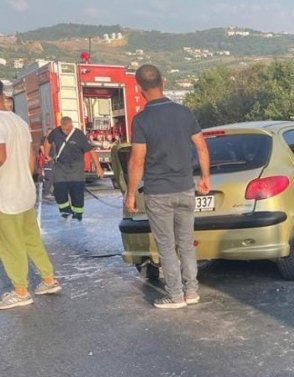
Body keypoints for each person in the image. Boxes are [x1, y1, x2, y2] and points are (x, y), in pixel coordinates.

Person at [124, 64, 210, 310]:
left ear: (139, 89)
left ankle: (175, 295)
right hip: (185, 188)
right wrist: (205, 177)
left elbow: (137, 160)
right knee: (186, 241)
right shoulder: (184, 113)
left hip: (158, 192)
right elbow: (202, 148)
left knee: (166, 244)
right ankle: (191, 291)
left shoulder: (141, 120)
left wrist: (130, 193)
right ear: (163, 81)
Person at [0, 80, 61, 310]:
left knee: (9, 244)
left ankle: (20, 291)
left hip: (5, 195)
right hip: (24, 191)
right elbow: (31, 158)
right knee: (31, 239)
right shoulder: (19, 122)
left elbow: (1, 156)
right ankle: (48, 279)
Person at [43, 116, 104, 221]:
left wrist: (98, 168)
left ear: (71, 126)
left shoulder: (79, 135)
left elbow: (91, 151)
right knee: (59, 190)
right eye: (63, 129)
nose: (64, 132)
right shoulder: (56, 132)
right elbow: (48, 141)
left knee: (76, 191)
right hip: (60, 166)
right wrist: (46, 155)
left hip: (76, 167)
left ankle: (78, 214)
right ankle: (65, 211)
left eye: (67, 130)